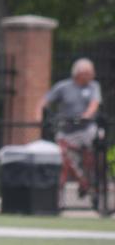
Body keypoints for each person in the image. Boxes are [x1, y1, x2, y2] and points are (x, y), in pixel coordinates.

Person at [37, 58, 104, 201]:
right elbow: (44, 101)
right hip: (67, 130)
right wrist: (39, 116)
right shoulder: (63, 87)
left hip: (87, 128)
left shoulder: (93, 86)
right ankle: (73, 186)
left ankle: (96, 181)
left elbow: (94, 104)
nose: (92, 75)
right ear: (79, 73)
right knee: (63, 159)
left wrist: (85, 116)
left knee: (97, 149)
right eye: (89, 73)